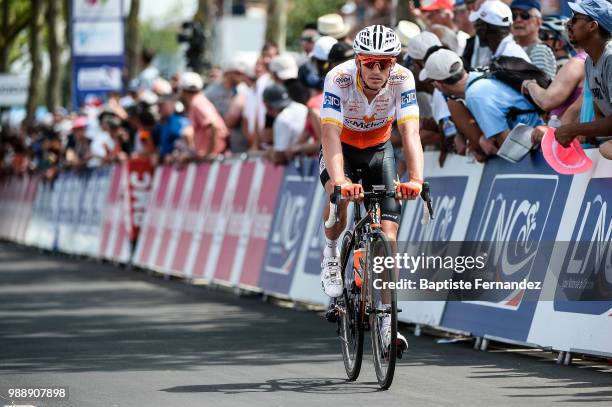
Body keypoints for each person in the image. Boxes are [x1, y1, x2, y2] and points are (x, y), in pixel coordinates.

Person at [319, 25, 424, 353]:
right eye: (370, 63)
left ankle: (387, 325)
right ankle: (332, 252)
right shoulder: (338, 78)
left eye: (385, 63)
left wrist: (416, 179)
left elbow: (410, 134)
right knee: (340, 202)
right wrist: (340, 182)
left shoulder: (403, 78)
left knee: (389, 238)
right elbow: (330, 135)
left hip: (380, 149)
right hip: (343, 149)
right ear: (358, 60)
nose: (378, 70)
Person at [420, 48, 543, 157]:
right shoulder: (480, 76)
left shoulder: (475, 95)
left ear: (437, 84)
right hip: (538, 138)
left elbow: (510, 148)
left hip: (539, 147)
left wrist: (485, 151)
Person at [552, 0, 612, 159]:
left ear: (592, 26)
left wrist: (574, 129)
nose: (569, 24)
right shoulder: (589, 61)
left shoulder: (610, 58)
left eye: (575, 18)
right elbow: (600, 113)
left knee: (606, 149)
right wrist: (590, 132)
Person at [180, 72, 229, 158]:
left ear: (183, 91)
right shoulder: (198, 102)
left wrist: (208, 153)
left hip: (214, 158)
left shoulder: (198, 103)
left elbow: (213, 126)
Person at [510, 0, 557, 79]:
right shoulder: (511, 48)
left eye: (525, 15)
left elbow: (541, 86)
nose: (518, 20)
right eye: (513, 16)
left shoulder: (540, 50)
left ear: (538, 22)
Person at [263, 84, 308, 165]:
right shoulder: (302, 107)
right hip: (315, 160)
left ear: (267, 105)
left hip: (301, 165)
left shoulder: (282, 119)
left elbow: (279, 157)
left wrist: (270, 153)